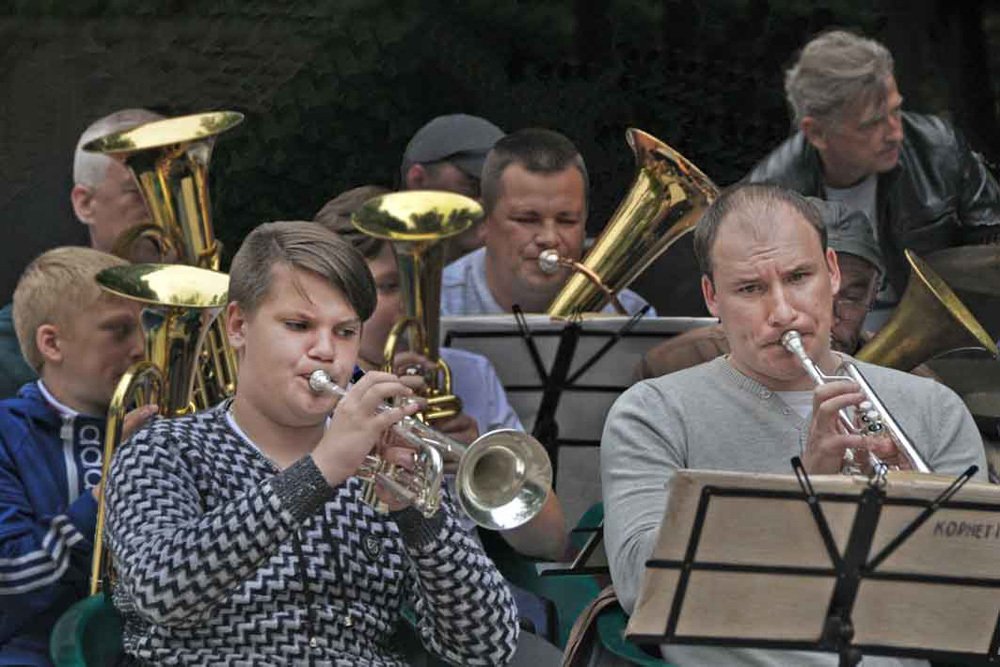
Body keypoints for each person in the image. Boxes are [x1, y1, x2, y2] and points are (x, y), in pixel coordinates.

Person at [601, 184, 987, 667]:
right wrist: (801, 493)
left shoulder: (932, 408)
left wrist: (902, 501)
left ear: (831, 271)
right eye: (750, 289)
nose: (782, 312)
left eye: (799, 276)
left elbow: (970, 592)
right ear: (712, 297)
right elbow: (642, 587)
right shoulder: (652, 412)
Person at [103, 221, 519, 666]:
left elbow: (488, 644)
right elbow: (161, 592)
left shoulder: (380, 465)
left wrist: (415, 513)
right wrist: (319, 471)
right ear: (238, 325)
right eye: (299, 325)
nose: (326, 351)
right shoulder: (164, 451)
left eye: (344, 332)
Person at [744, 30, 1000, 320]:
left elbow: (991, 244)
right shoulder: (767, 196)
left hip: (942, 326)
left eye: (896, 111)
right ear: (816, 132)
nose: (895, 133)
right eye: (872, 124)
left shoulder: (939, 147)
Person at [0, 247, 153, 666]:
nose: (142, 348)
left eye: (144, 328)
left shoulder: (161, 422)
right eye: (118, 331)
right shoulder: (7, 434)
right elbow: (11, 580)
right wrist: (105, 493)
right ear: (52, 343)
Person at [0, 108, 163, 400]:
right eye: (140, 191)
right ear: (85, 204)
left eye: (174, 190)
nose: (165, 211)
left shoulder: (232, 316)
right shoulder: (13, 340)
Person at [636, 198, 883, 379]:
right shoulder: (682, 361)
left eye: (851, 297)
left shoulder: (908, 376)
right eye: (800, 284)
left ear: (875, 293)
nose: (829, 316)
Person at [441, 128, 654, 316]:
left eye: (567, 221)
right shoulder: (435, 307)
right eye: (527, 219)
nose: (549, 238)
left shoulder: (629, 313)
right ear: (484, 223)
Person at [401, 113, 506, 263]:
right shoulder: (370, 266)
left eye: (499, 191)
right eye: (474, 186)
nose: (489, 202)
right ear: (418, 180)